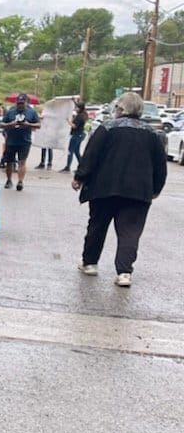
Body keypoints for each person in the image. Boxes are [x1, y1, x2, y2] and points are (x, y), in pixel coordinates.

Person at [73, 91, 167, 288]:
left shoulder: (107, 128)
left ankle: (90, 263)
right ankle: (124, 272)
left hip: (104, 188)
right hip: (138, 192)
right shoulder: (152, 134)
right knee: (130, 232)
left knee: (97, 226)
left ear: (121, 109)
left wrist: (80, 177)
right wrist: (156, 188)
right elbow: (160, 164)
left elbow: (92, 154)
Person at [1, 93, 40, 191]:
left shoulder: (32, 112)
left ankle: (20, 181)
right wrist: (11, 124)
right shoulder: (10, 111)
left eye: (22, 103)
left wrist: (28, 124)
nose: (20, 105)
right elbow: (2, 124)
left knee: (22, 162)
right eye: (19, 103)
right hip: (11, 141)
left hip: (25, 141)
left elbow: (39, 125)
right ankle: (9, 180)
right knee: (9, 162)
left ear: (26, 103)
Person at [61, 98, 89, 172]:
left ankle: (68, 167)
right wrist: (74, 101)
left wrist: (68, 121)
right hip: (80, 135)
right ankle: (81, 167)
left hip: (76, 135)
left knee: (70, 151)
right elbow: (78, 105)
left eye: (77, 107)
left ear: (80, 108)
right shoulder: (83, 115)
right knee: (76, 151)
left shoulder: (79, 117)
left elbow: (74, 126)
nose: (75, 108)